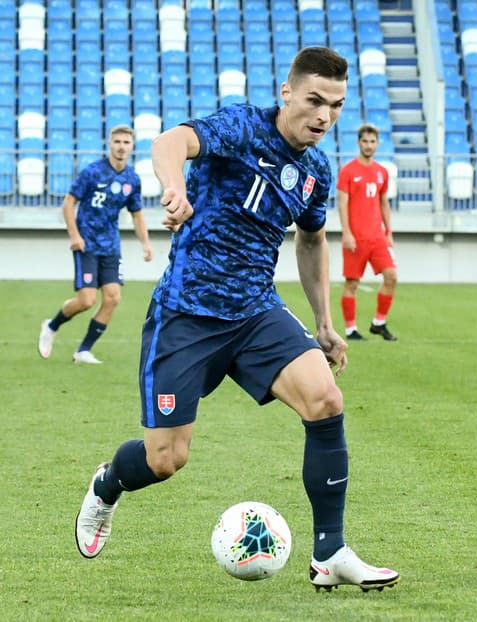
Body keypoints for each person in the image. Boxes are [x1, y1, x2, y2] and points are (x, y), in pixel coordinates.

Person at [74, 47, 400, 592]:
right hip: (187, 313)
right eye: (315, 100)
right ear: (287, 93)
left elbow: (313, 240)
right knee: (165, 459)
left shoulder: (315, 172)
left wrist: (323, 322)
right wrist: (173, 187)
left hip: (254, 311)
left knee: (326, 400)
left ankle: (330, 553)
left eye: (336, 106)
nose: (323, 115)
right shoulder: (242, 127)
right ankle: (108, 483)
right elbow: (170, 142)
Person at [38, 125, 153, 364]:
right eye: (117, 142)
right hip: (87, 244)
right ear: (110, 144)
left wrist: (146, 243)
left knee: (113, 298)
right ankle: (51, 325)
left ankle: (83, 351)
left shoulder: (132, 178)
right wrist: (74, 236)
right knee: (86, 301)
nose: (121, 146)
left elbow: (137, 213)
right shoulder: (92, 172)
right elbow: (69, 203)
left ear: (132, 147)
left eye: (126, 142)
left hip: (111, 246)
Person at [336, 124, 398, 341]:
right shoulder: (348, 171)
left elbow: (383, 203)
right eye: (365, 141)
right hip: (356, 237)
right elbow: (342, 204)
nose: (369, 145)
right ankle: (350, 329)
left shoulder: (382, 172)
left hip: (377, 237)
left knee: (391, 276)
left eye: (372, 142)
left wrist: (388, 231)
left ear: (377, 144)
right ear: (358, 142)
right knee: (352, 283)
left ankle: (378, 323)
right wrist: (346, 233)